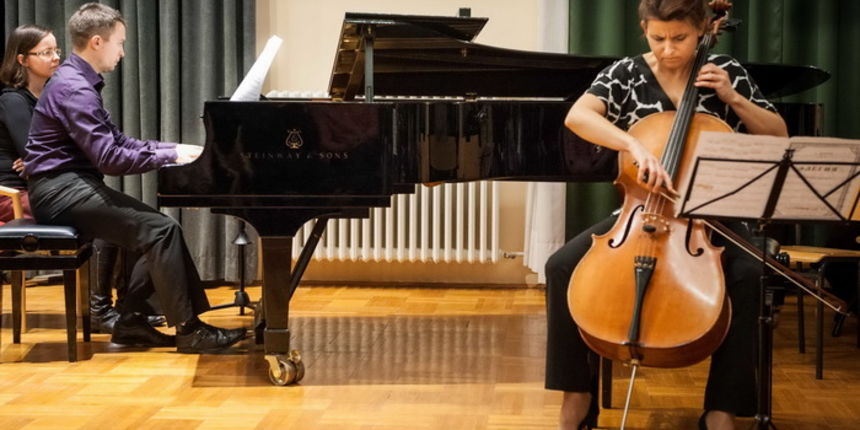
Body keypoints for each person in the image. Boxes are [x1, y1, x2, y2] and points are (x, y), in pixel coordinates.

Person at [545, 1, 788, 429]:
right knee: (561, 265)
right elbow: (578, 115)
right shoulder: (625, 73)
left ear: (700, 32)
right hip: (641, 210)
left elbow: (777, 135)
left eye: (679, 39)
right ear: (644, 31)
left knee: (749, 275)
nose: (668, 49)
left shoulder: (724, 69)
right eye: (658, 39)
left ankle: (721, 409)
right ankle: (576, 395)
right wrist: (632, 145)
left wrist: (731, 96)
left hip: (713, 217)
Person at [24, 2, 245, 353]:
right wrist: (169, 156)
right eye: (120, 43)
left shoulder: (77, 81)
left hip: (68, 187)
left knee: (153, 231)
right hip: (59, 191)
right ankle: (190, 332)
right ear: (97, 42)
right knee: (161, 230)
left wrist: (172, 147)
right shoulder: (75, 88)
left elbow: (120, 141)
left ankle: (132, 324)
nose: (123, 52)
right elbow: (110, 158)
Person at [0, 24, 59, 221]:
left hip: (40, 188)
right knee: (89, 212)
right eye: (46, 52)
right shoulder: (12, 100)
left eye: (56, 50)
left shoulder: (51, 99)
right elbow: (36, 153)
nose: (56, 57)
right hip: (10, 194)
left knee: (105, 211)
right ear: (23, 59)